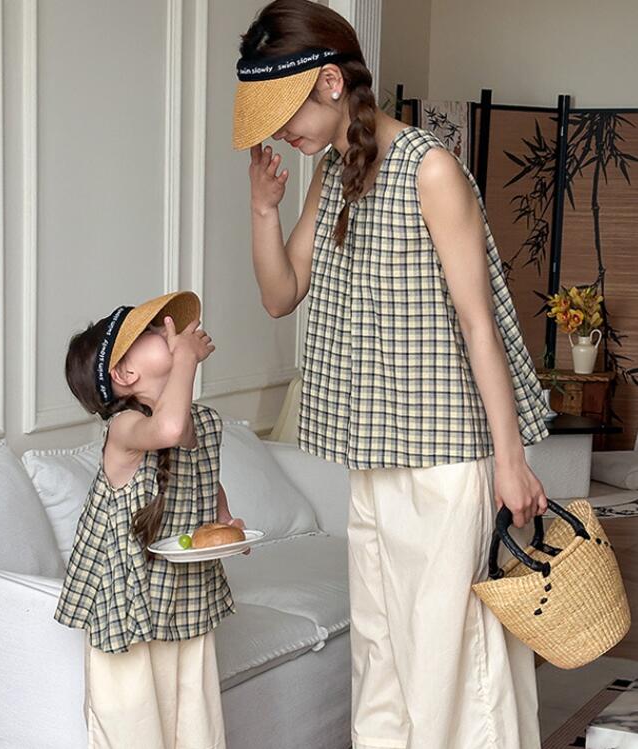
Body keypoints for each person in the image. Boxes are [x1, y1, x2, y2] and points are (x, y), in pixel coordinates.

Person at [233, 2, 550, 748]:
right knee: (380, 648)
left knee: (449, 654)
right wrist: (262, 210)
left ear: (330, 82)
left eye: (286, 111)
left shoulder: (429, 169)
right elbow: (280, 294)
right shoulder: (330, 174)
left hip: (444, 458)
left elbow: (478, 324)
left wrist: (510, 463)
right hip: (373, 454)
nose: (282, 132)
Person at [55, 290, 243, 749]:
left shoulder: (203, 421)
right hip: (128, 603)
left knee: (196, 724)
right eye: (154, 332)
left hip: (186, 596)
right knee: (135, 728)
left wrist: (225, 522)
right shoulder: (124, 429)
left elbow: (204, 480)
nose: (167, 330)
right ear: (125, 375)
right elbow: (168, 429)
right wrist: (187, 360)